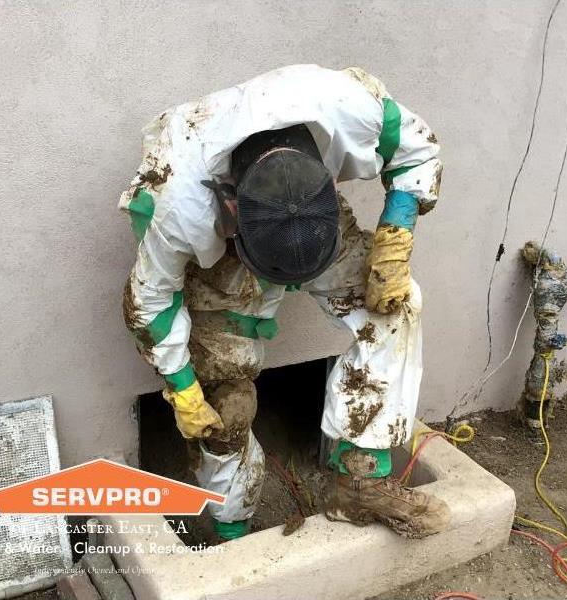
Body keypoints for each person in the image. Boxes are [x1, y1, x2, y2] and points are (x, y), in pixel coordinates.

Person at [120, 65, 449, 541]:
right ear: (230, 208)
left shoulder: (350, 111)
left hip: (311, 225)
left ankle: (361, 479)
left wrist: (395, 239)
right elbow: (149, 301)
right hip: (226, 259)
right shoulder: (176, 204)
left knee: (394, 309)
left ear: (331, 183)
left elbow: (417, 150)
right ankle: (233, 532)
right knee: (226, 408)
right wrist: (183, 388)